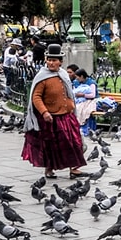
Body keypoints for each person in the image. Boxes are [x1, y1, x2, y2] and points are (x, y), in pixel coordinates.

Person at [21, 44, 86, 179]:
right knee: (51, 145)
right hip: (51, 117)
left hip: (66, 114)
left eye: (54, 60)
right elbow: (36, 97)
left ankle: (74, 168)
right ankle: (49, 169)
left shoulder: (63, 74)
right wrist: (44, 112)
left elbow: (68, 92)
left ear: (60, 62)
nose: (51, 63)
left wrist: (71, 105)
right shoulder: (42, 77)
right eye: (49, 60)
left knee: (74, 142)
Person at [71, 67, 99, 136]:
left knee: (86, 110)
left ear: (82, 76)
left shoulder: (91, 83)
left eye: (78, 77)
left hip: (90, 100)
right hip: (80, 100)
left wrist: (82, 95)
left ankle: (86, 129)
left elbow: (93, 95)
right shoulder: (76, 83)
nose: (76, 79)